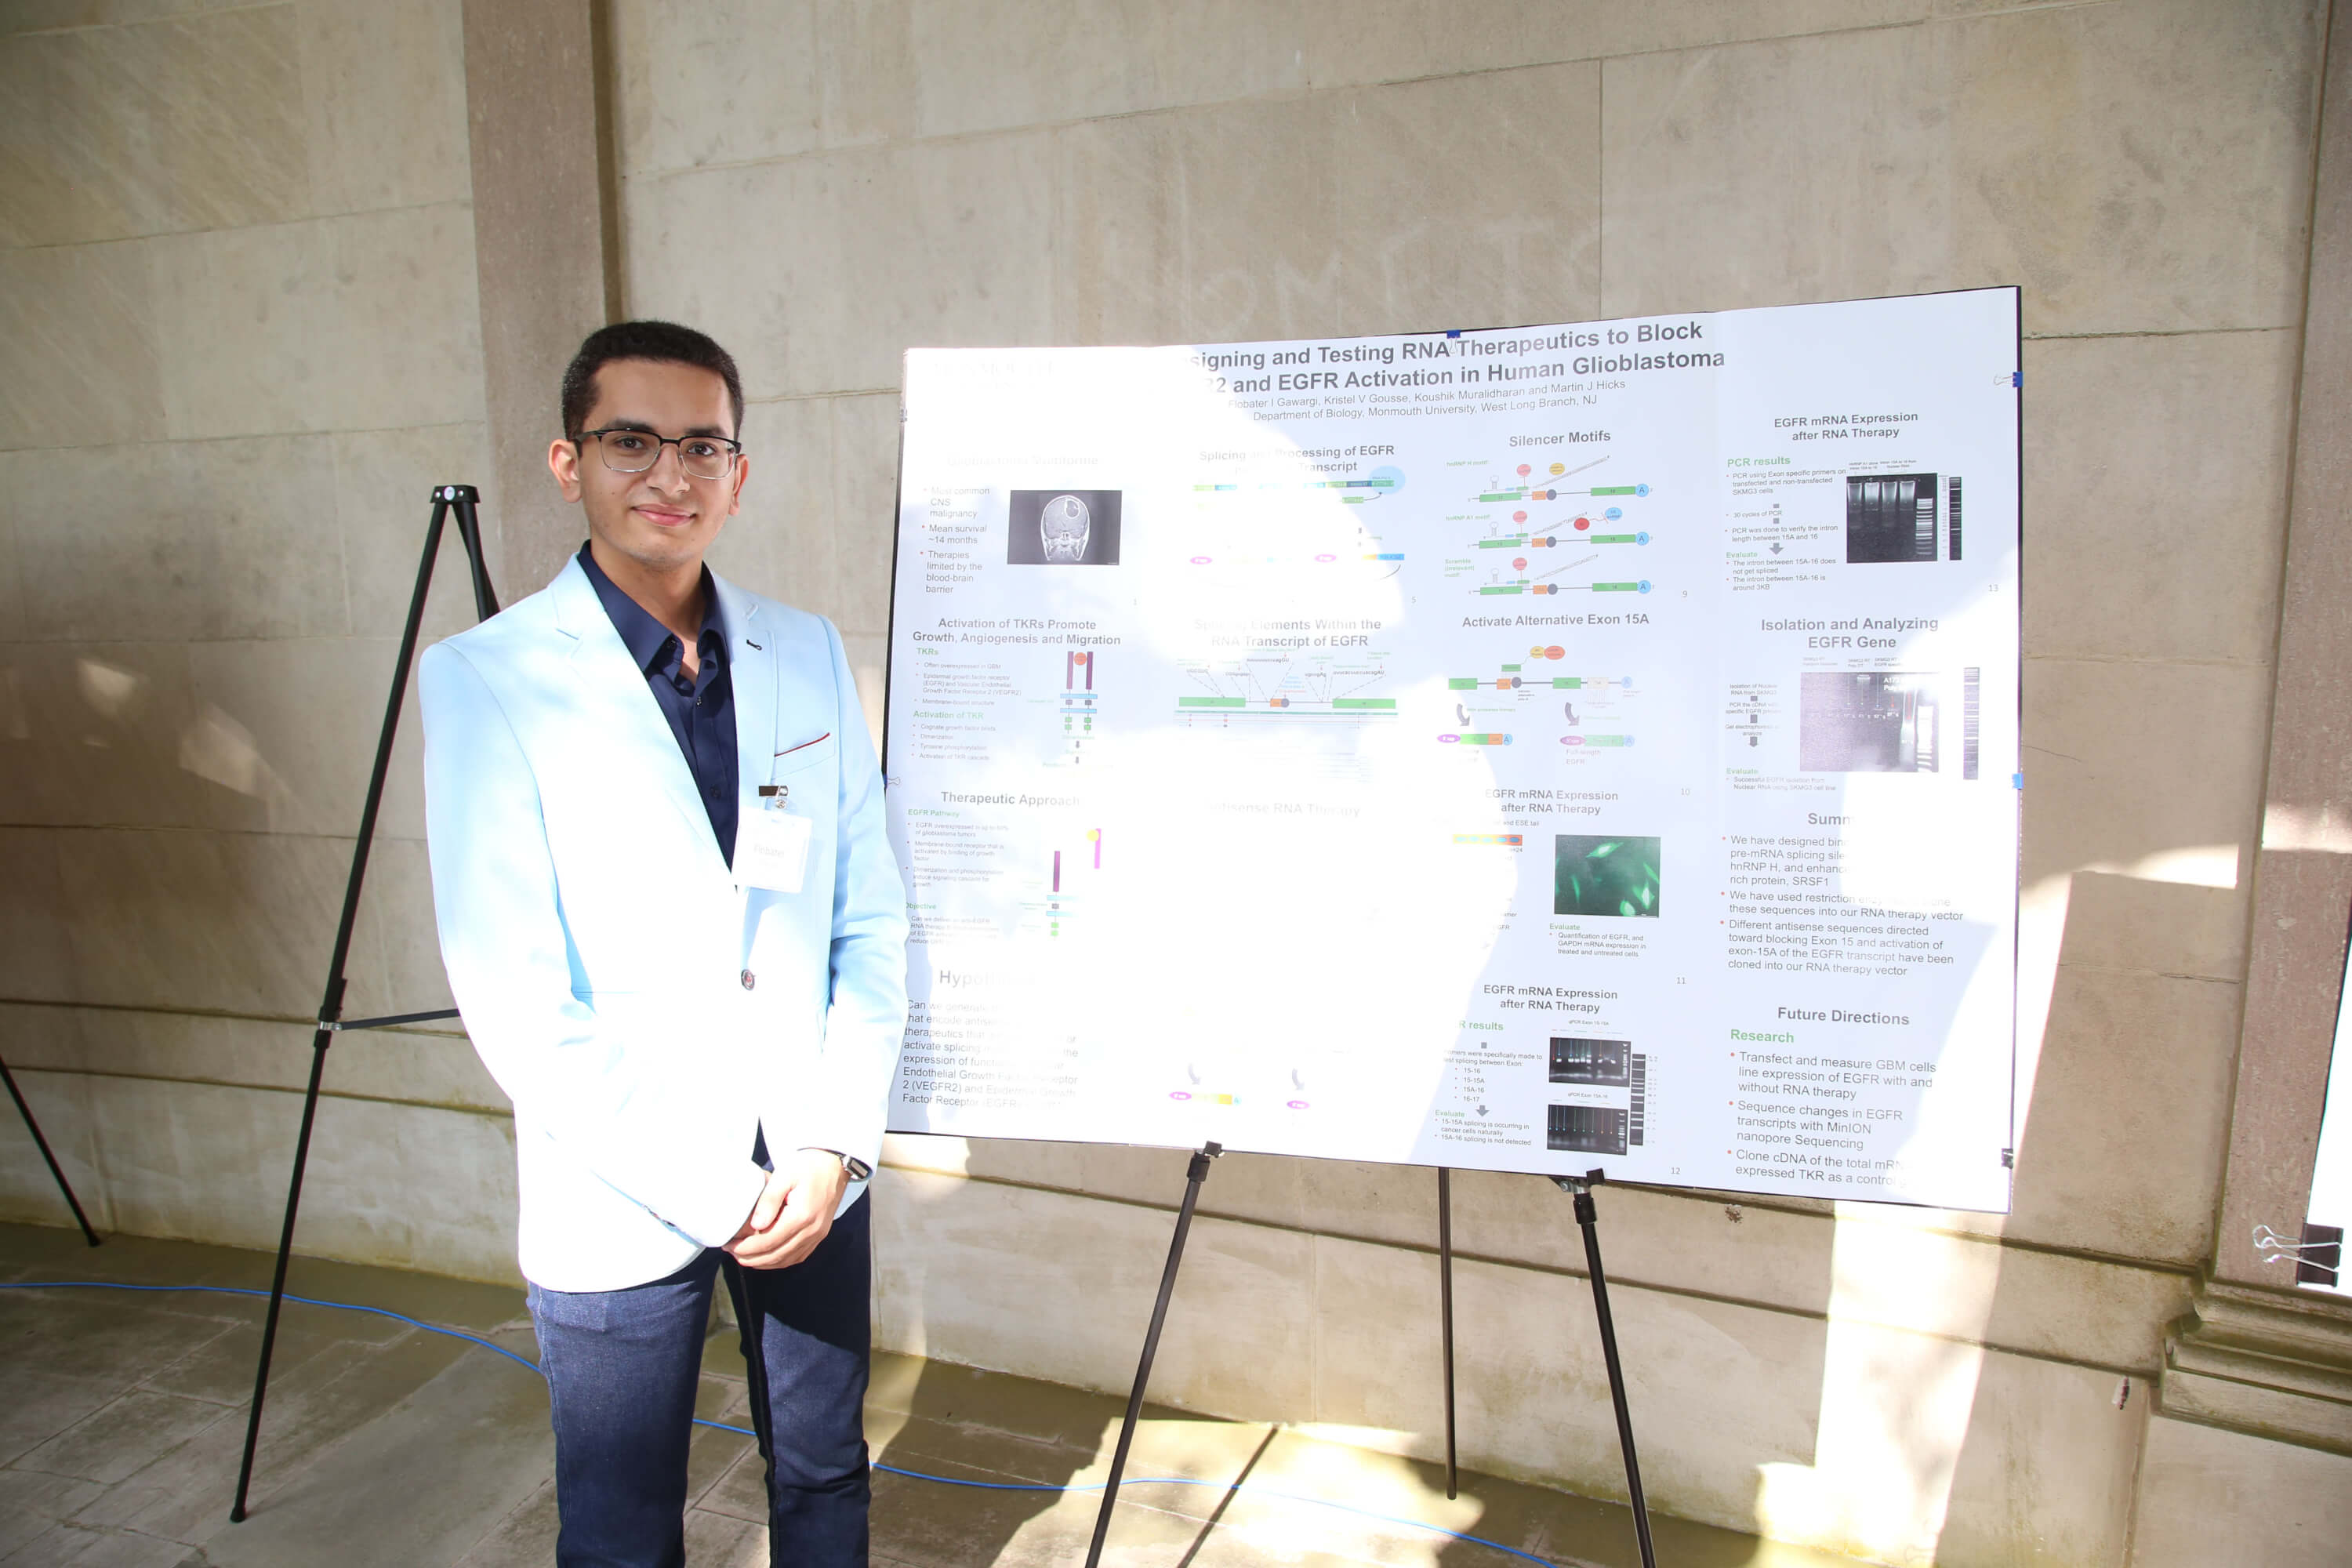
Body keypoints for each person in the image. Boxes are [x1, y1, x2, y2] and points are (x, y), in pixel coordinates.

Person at [419, 319, 907, 1567]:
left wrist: (835, 1143)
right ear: (568, 463)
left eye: (703, 446)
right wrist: (718, 1191)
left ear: (738, 474)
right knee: (622, 1527)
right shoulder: (488, 677)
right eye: (631, 440)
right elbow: (516, 999)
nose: (670, 475)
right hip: (620, 1181)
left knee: (827, 1474)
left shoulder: (804, 650)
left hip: (809, 1162)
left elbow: (868, 921)